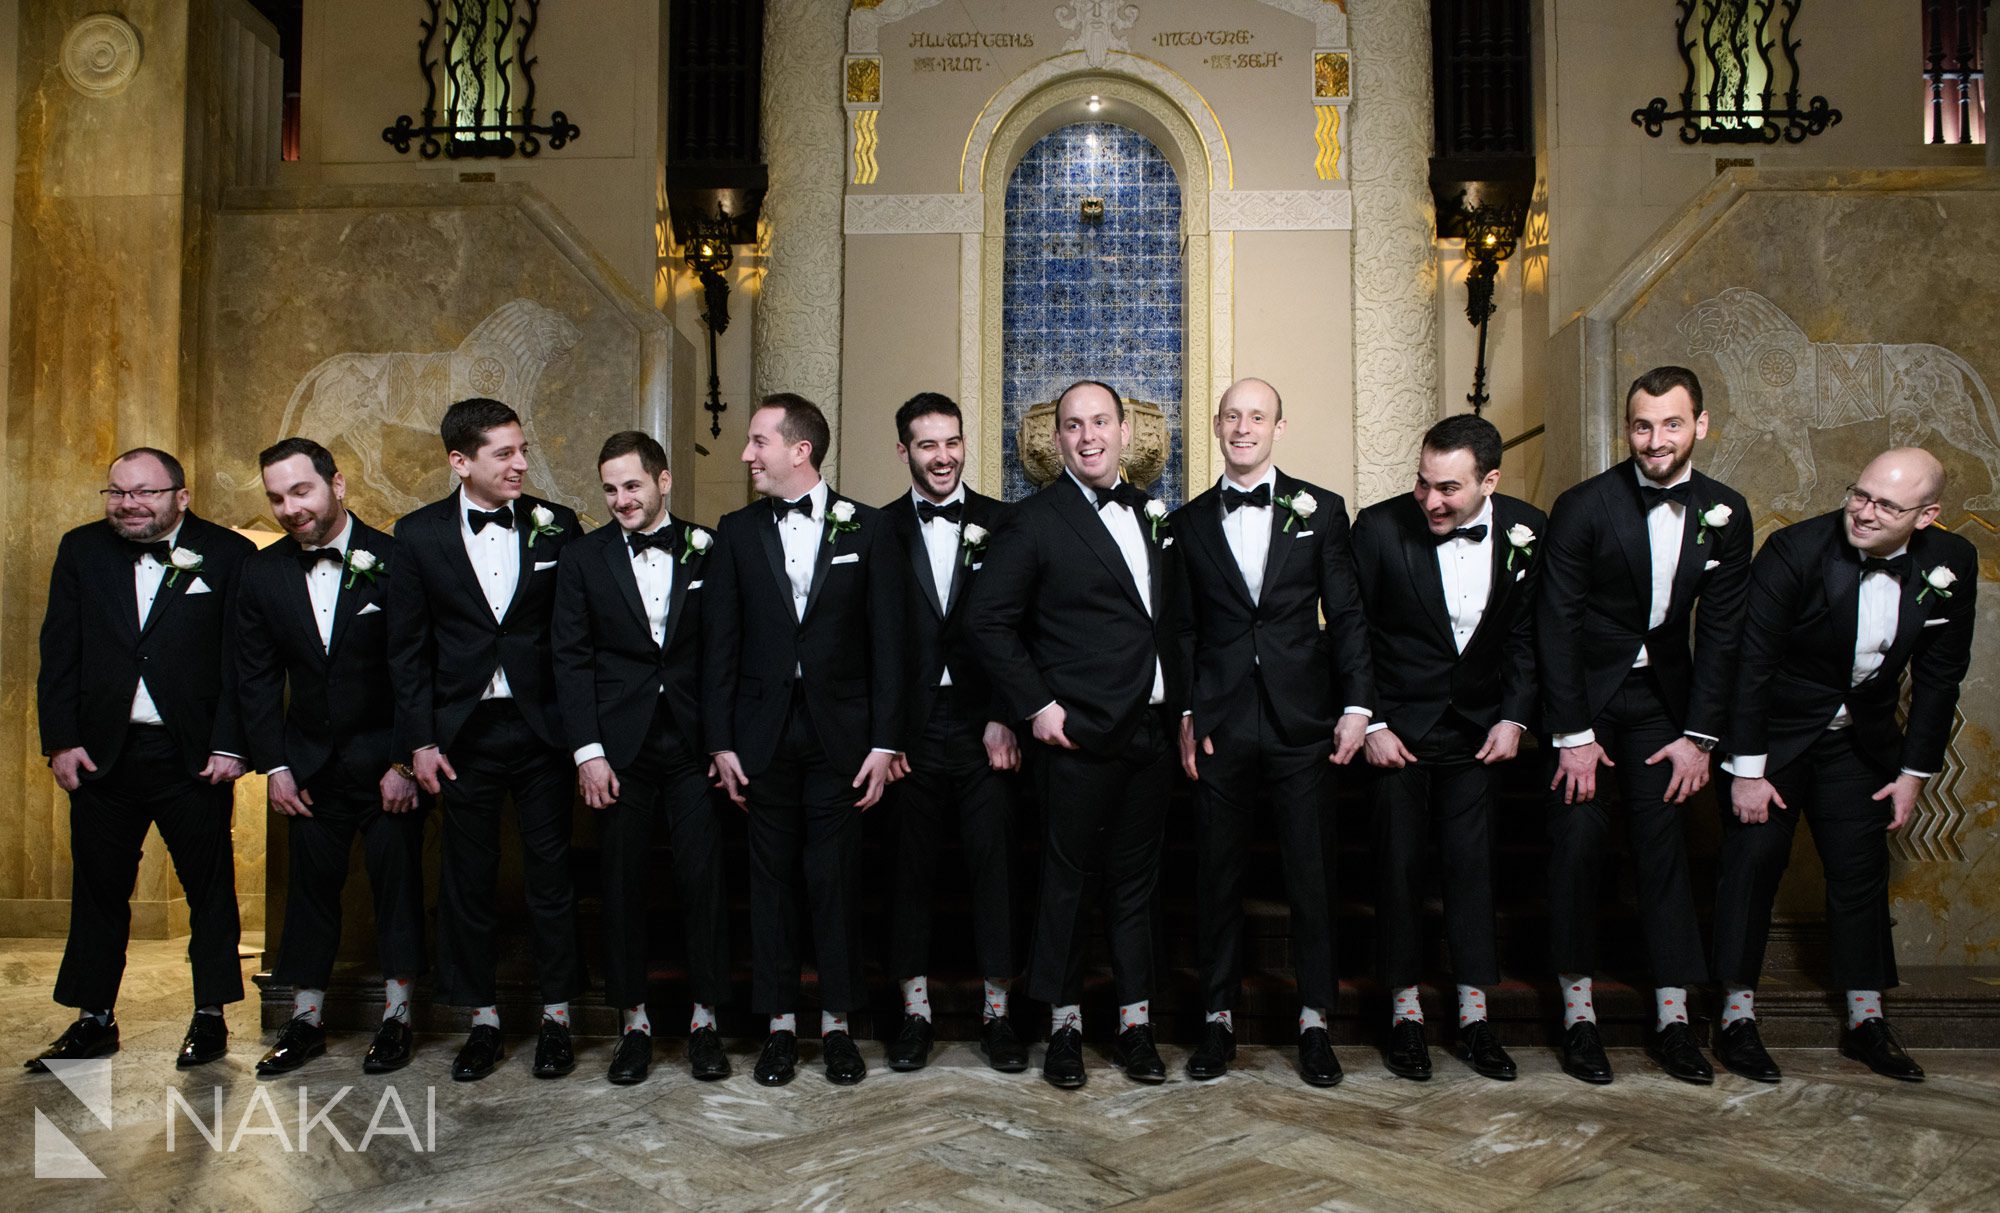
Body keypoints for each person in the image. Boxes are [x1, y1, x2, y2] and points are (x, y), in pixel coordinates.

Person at [1713, 448, 1975, 1084]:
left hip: (1860, 740)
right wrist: (1748, 769)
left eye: (1886, 505)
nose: (1863, 511)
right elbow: (1750, 662)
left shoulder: (1951, 561)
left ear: (1928, 516)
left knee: (1859, 873)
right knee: (1752, 866)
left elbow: (1941, 678)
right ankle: (1734, 1018)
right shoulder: (1796, 550)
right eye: (1860, 494)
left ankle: (1866, 1020)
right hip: (1773, 736)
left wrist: (1914, 773)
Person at [965, 379, 1184, 1090]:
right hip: (1075, 738)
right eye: (1072, 425)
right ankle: (1062, 1029)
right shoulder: (1034, 521)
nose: (1087, 436)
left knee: (1137, 889)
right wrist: (1036, 707)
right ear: (1056, 440)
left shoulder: (1157, 515)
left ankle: (1135, 1026)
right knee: (1065, 886)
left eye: (1098, 422)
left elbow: (1171, 625)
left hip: (1148, 736)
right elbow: (986, 622)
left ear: (1126, 431)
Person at [1539, 365, 1750, 1086]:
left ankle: (1673, 1021)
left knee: (1664, 851)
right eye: (1641, 424)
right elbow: (1555, 626)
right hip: (1585, 702)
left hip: (1664, 702)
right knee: (1578, 845)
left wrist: (1699, 736)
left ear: (1701, 424)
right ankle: (1578, 1017)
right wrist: (1572, 735)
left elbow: (1722, 635)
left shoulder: (1727, 511)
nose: (1654, 439)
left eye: (1670, 423)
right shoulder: (1584, 505)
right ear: (1624, 427)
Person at [1170, 378, 1371, 1087]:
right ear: (1217, 427)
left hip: (1303, 719)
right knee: (1215, 877)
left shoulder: (1323, 510)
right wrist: (1189, 714)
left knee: (1311, 876)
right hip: (1222, 721)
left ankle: (1316, 1023)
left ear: (1279, 427)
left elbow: (1345, 615)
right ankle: (1216, 1022)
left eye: (1257, 415)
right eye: (1232, 415)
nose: (1243, 426)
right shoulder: (1188, 521)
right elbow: (1184, 631)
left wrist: (1357, 708)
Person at [27, 448, 254, 1073]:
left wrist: (232, 745)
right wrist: (60, 741)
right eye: (118, 492)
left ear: (181, 495)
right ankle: (92, 1018)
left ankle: (210, 1016)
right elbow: (59, 650)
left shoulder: (229, 554)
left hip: (192, 757)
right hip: (103, 755)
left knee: (209, 891)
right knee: (98, 891)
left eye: (145, 492)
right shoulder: (80, 550)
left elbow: (246, 664)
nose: (129, 503)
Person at [703, 394, 905, 1087]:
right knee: (771, 885)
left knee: (836, 881)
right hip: (760, 736)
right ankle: (779, 1028)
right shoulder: (735, 530)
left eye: (758, 440)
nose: (746, 454)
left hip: (840, 738)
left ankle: (839, 1027)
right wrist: (721, 740)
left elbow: (889, 645)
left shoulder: (870, 530)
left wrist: (884, 741)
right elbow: (718, 644)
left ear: (800, 450)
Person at [387, 398, 582, 1082]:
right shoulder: (414, 536)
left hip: (542, 730)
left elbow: (572, 637)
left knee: (551, 879)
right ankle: (483, 1021)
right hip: (459, 737)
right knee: (465, 883)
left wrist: (580, 736)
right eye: (504, 453)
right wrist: (419, 741)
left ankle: (558, 1019)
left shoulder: (558, 526)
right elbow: (406, 651)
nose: (521, 463)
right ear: (459, 461)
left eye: (522, 449)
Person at [1351, 414, 1543, 1083]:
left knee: (1472, 868)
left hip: (1478, 731)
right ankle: (1404, 1016)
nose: (1431, 500)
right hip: (1398, 731)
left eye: (1449, 488)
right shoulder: (1376, 528)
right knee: (1398, 867)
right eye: (1423, 482)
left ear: (1491, 480)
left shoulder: (1527, 529)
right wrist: (1370, 722)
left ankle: (1474, 1016)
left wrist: (1516, 716)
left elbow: (1525, 635)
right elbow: (1355, 634)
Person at [236, 438, 426, 1076]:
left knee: (396, 889)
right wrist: (276, 765)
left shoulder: (395, 561)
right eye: (276, 497)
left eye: (301, 491)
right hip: (309, 767)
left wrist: (403, 762)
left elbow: (414, 671)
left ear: (337, 485)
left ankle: (398, 1016)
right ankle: (305, 1020)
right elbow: (257, 679)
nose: (289, 508)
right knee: (309, 896)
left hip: (385, 770)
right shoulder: (262, 574)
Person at [552, 431, 731, 1086]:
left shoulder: (709, 546)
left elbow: (725, 651)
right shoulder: (582, 558)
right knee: (622, 885)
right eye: (609, 488)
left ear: (663, 482)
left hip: (692, 744)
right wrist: (589, 753)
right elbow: (569, 658)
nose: (621, 499)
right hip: (617, 750)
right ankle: (634, 1025)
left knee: (702, 881)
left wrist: (722, 740)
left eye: (632, 485)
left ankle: (705, 1022)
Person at [877, 393, 1027, 1074]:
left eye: (953, 442)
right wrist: (885, 735)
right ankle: (913, 1014)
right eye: (928, 444)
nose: (943, 456)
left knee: (995, 870)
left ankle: (1000, 1015)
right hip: (907, 732)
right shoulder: (877, 531)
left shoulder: (1005, 521)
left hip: (984, 724)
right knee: (907, 873)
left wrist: (1004, 712)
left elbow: (1024, 629)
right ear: (904, 450)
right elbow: (867, 642)